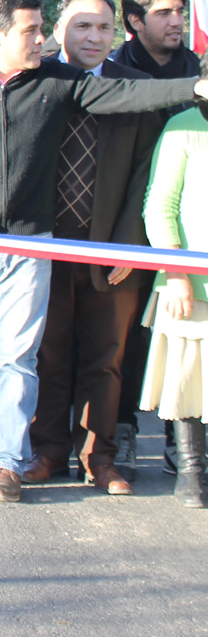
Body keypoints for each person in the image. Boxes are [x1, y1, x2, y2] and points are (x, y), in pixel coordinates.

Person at [0, 0, 208, 502]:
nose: (42, 38)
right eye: (32, 30)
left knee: (18, 360)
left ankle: (7, 463)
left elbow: (127, 96)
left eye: (43, 26)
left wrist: (197, 87)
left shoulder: (58, 81)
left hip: (31, 244)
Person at [24, 0, 159, 496]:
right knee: (49, 352)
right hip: (47, 243)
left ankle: (98, 456)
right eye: (83, 26)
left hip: (113, 247)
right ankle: (49, 449)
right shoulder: (38, 79)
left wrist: (128, 241)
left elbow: (149, 171)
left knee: (108, 354)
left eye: (103, 27)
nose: (94, 37)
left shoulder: (139, 89)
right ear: (59, 31)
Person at [111, 0, 201, 479]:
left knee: (186, 345)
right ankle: (120, 436)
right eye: (164, 13)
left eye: (179, 12)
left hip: (184, 235)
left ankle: (181, 442)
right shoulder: (115, 71)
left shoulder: (197, 69)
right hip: (126, 226)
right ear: (135, 20)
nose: (176, 21)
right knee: (124, 341)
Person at [138, 71, 208, 508]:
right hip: (190, 282)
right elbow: (160, 205)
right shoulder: (184, 125)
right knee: (186, 378)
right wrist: (177, 273)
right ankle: (192, 471)